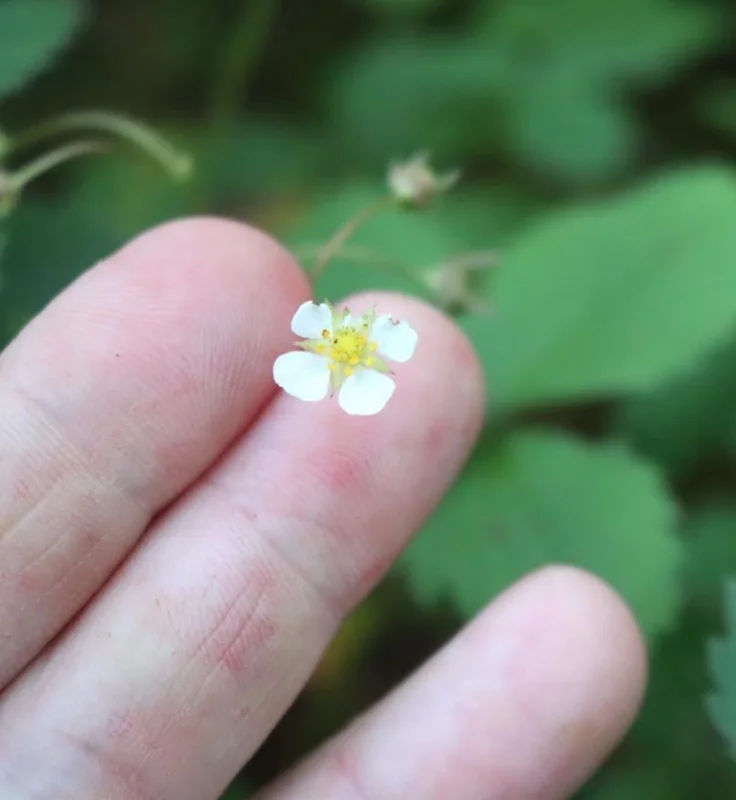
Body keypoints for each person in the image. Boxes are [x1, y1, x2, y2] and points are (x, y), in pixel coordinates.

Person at [0, 218, 646, 798]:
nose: (348, 348)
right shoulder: (325, 352)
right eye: (344, 345)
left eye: (351, 346)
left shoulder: (363, 350)